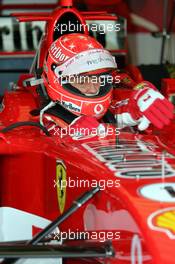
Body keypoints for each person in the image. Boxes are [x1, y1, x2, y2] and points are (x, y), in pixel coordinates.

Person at [39, 33, 174, 140]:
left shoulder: (111, 104)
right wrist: (70, 137)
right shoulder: (42, 122)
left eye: (98, 79)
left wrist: (138, 105)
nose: (93, 89)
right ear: (57, 80)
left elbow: (122, 111)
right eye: (82, 81)